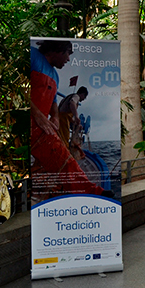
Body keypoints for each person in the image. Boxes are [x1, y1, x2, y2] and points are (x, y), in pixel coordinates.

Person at [30, 40, 109, 200]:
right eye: (67, 54)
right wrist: (37, 114)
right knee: (64, 156)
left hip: (43, 127)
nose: (67, 60)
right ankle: (91, 192)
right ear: (58, 50)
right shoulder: (33, 56)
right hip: (32, 124)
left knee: (61, 156)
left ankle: (80, 190)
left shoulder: (56, 76)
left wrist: (55, 117)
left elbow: (53, 102)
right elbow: (19, 88)